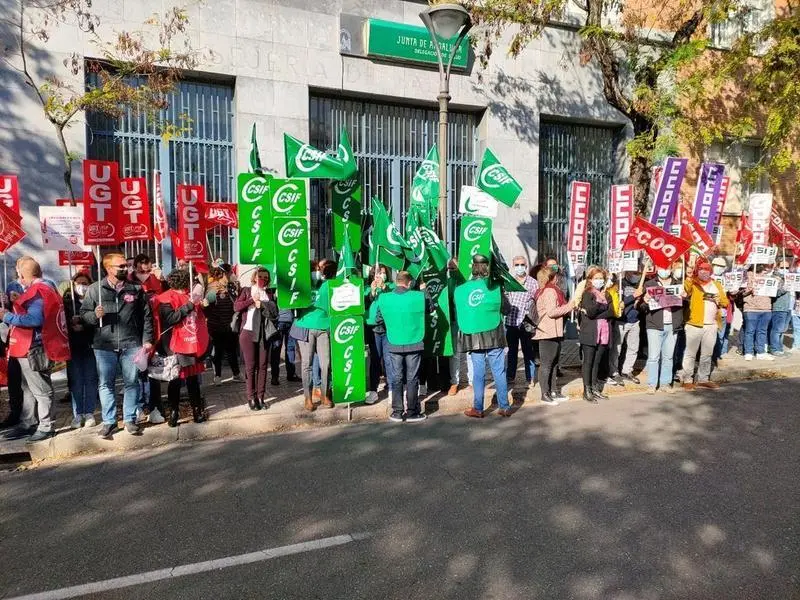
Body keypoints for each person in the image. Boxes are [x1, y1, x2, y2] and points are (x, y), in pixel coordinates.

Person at [81, 252, 154, 439]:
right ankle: (109, 422)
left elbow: (146, 317)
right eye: (120, 266)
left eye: (125, 266)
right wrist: (94, 316)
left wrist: (147, 340)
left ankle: (130, 419)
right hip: (104, 345)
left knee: (132, 382)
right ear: (108, 268)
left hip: (131, 343)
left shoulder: (135, 289)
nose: (125, 269)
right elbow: (84, 316)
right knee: (106, 384)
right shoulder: (95, 289)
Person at [0, 257, 70, 442]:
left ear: (23, 275)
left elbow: (34, 319)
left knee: (40, 389)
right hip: (28, 346)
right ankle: (29, 422)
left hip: (33, 347)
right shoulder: (41, 289)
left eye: (18, 273)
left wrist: (7, 316)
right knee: (29, 389)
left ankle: (46, 426)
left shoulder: (38, 291)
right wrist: (18, 301)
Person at [455, 254, 512, 418]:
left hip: (473, 335)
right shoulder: (495, 287)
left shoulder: (461, 289)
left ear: (472, 268)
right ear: (487, 268)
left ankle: (478, 408)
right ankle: (504, 406)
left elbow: (459, 310)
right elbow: (507, 310)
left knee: (478, 373)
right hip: (494, 334)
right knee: (499, 371)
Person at [154, 269, 210, 426]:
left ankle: (197, 411)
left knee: (193, 380)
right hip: (174, 345)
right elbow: (172, 318)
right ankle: (174, 413)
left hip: (192, 343)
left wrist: (203, 305)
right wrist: (189, 305)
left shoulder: (192, 296)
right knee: (175, 381)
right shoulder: (166, 299)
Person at [375, 271, 429, 422]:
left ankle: (397, 412)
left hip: (394, 341)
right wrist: (424, 290)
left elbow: (378, 319)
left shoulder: (384, 298)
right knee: (412, 378)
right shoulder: (418, 296)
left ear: (396, 281)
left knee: (396, 377)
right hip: (414, 341)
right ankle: (412, 412)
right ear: (409, 283)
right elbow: (430, 308)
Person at [234, 267, 279, 410]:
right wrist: (251, 301)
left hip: (264, 334)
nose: (263, 279)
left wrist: (263, 304)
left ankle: (261, 396)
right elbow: (236, 306)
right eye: (261, 276)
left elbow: (274, 312)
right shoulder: (247, 290)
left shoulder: (269, 293)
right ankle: (251, 397)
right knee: (250, 366)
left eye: (266, 277)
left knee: (263, 365)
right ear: (254, 277)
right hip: (248, 332)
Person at [680, 257, 728, 390]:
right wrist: (689, 277)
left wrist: (719, 300)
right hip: (694, 324)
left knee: (707, 354)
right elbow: (685, 291)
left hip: (711, 325)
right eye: (701, 270)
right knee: (690, 353)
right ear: (697, 271)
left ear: (711, 272)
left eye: (706, 270)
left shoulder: (716, 285)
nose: (704, 272)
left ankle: (703, 379)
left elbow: (725, 302)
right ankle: (687, 379)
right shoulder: (693, 283)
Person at [294, 259, 336, 412]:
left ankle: (325, 394)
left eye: (319, 268)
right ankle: (308, 398)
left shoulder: (328, 284)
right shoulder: (301, 285)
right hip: (305, 326)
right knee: (307, 364)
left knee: (326, 363)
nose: (317, 271)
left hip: (324, 327)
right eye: (314, 268)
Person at [129, 254, 166, 425]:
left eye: (148, 268)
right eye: (141, 268)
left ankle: (155, 408)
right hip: (133, 334)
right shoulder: (128, 283)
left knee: (153, 373)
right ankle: (137, 408)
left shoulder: (157, 282)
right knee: (135, 374)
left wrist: (163, 281)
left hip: (154, 333)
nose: (144, 271)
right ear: (135, 267)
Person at [532, 265, 575, 404]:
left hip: (553, 331)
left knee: (554, 363)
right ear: (553, 277)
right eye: (557, 276)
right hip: (547, 332)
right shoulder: (550, 291)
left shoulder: (547, 290)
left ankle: (554, 391)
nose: (559, 278)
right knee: (547, 364)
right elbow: (551, 312)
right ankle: (545, 394)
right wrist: (570, 306)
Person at [641, 261, 685, 394]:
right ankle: (652, 384)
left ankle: (665, 383)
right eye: (661, 267)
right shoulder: (649, 284)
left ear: (671, 269)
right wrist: (646, 300)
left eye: (666, 267)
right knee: (654, 357)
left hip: (672, 324)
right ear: (657, 268)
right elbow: (642, 308)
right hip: (655, 325)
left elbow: (686, 305)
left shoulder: (678, 284)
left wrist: (685, 297)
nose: (664, 270)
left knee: (668, 356)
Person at [63, 271, 98, 429]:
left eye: (85, 283)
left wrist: (85, 323)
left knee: (91, 380)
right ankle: (78, 414)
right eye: (79, 283)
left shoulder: (95, 300)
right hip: (73, 347)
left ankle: (89, 412)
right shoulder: (67, 302)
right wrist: (72, 325)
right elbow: (60, 323)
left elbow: (99, 323)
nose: (82, 286)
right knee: (76, 381)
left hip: (91, 345)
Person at [578, 267, 613, 403]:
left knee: (597, 362)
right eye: (596, 278)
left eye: (601, 278)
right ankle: (586, 390)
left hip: (603, 332)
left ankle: (594, 387)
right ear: (590, 280)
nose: (599, 281)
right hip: (590, 332)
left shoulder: (607, 294)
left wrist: (596, 312)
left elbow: (610, 312)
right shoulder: (588, 294)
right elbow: (591, 312)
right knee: (588, 362)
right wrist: (599, 302)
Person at [204, 266, 243, 384]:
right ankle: (217, 376)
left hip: (230, 325)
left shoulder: (230, 287)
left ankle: (236, 374)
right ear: (223, 274)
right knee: (218, 351)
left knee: (231, 350)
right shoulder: (212, 290)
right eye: (230, 272)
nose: (232, 274)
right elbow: (206, 308)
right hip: (216, 326)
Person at [504, 256, 538, 388]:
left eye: (522, 264)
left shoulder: (533, 283)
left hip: (526, 322)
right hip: (511, 322)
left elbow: (537, 301)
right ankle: (510, 377)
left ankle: (530, 378)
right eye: (517, 264)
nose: (520, 267)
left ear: (526, 265)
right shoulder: (509, 282)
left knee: (528, 352)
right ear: (513, 266)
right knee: (511, 352)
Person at [364, 264, 394, 405]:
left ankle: (392, 388)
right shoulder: (368, 288)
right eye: (378, 273)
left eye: (383, 273)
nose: (381, 275)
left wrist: (384, 288)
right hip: (373, 328)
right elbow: (366, 301)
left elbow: (393, 299)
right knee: (375, 359)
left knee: (389, 359)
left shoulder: (391, 287)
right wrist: (373, 291)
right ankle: (373, 390)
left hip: (388, 327)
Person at [608, 269, 644, 385]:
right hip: (622, 321)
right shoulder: (619, 284)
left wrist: (641, 300)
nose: (636, 276)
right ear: (627, 272)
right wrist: (633, 296)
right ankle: (613, 371)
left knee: (633, 348)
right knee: (616, 349)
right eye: (634, 273)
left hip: (635, 320)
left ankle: (627, 370)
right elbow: (620, 303)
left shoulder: (640, 285)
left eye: (638, 273)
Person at [742, 263, 774, 361]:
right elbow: (741, 292)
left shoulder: (768, 278)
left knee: (762, 331)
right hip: (751, 309)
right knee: (750, 331)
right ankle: (748, 352)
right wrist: (749, 290)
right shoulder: (746, 276)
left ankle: (760, 352)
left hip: (766, 309)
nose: (764, 268)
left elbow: (774, 292)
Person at [711, 257, 734, 364]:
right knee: (710, 336)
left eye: (721, 267)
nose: (719, 268)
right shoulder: (707, 278)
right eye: (717, 266)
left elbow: (732, 294)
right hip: (710, 312)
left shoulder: (727, 278)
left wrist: (733, 290)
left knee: (720, 335)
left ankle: (718, 355)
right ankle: (709, 356)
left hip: (723, 312)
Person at [768, 259, 792, 357]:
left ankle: (780, 348)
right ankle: (774, 348)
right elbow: (773, 293)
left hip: (788, 307)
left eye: (787, 267)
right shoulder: (774, 278)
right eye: (782, 267)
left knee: (782, 330)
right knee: (777, 329)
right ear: (777, 267)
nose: (785, 269)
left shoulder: (788, 278)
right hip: (779, 307)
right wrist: (783, 289)